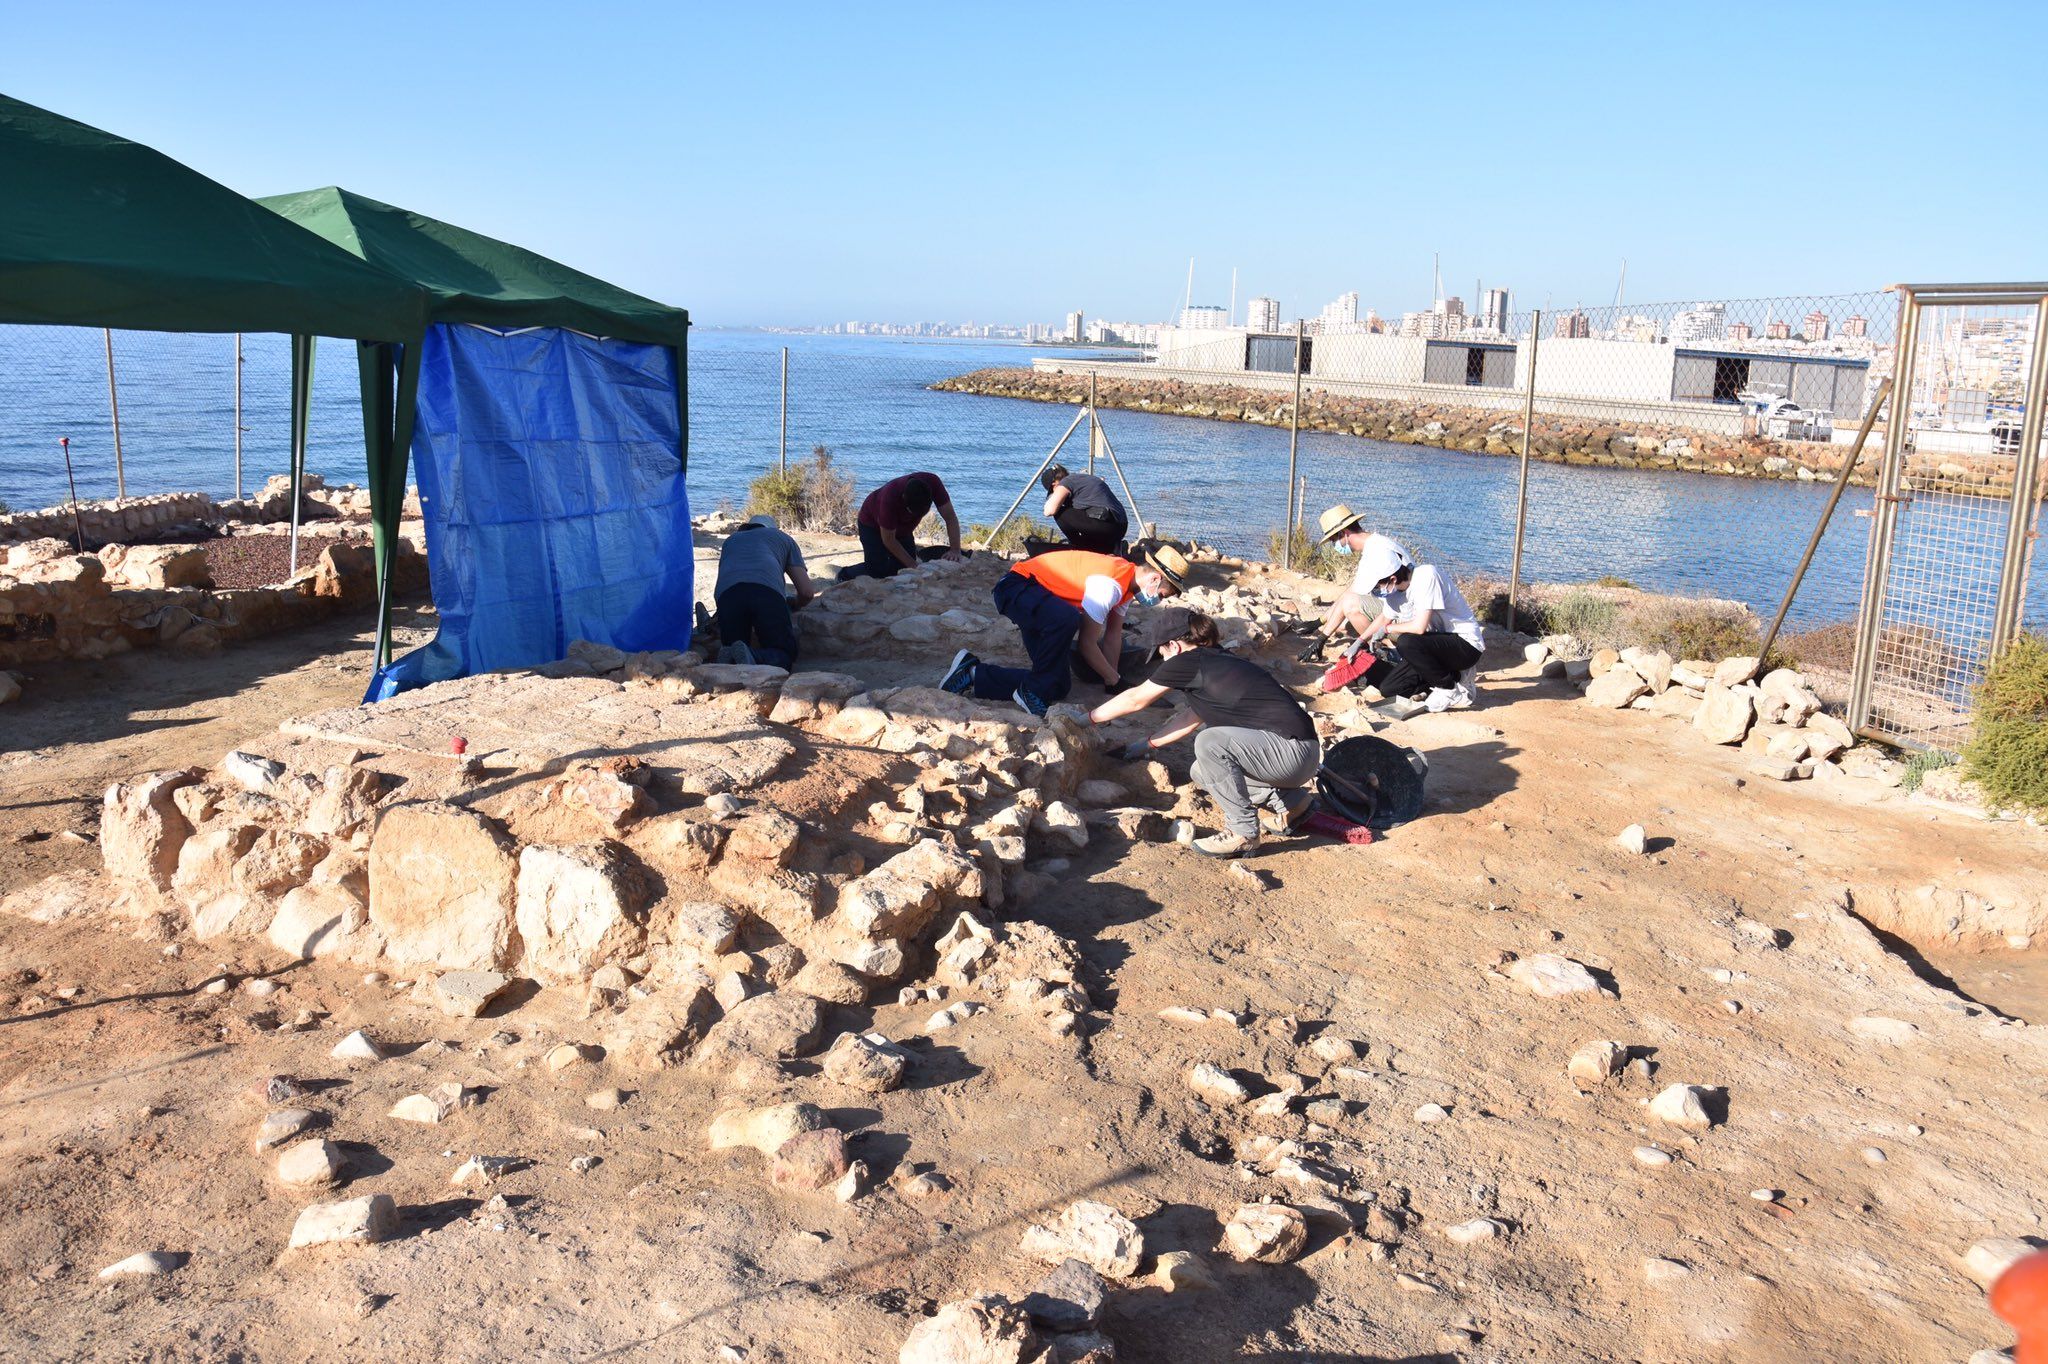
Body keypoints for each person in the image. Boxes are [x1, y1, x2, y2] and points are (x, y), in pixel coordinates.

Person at [1087, 611, 1321, 859]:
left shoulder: (1187, 661)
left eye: (1161, 653)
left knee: (1210, 742)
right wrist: (1145, 745)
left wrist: (1086, 719)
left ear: (1174, 646)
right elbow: (1190, 717)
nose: (1163, 660)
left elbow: (1136, 698)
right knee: (1202, 770)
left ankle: (1242, 833)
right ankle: (1293, 803)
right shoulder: (1216, 660)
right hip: (1299, 755)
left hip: (1289, 753)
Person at [938, 544, 1189, 717]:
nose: (1161, 600)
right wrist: (1116, 680)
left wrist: (1111, 681)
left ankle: (971, 673)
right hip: (1016, 589)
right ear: (1156, 579)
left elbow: (1113, 636)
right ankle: (1031, 691)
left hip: (1042, 605)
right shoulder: (1110, 585)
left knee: (1056, 686)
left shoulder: (1127, 587)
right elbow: (1087, 644)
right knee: (1069, 620)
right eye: (1166, 594)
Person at [1347, 537, 1484, 712]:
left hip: (1464, 646)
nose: (1376, 591)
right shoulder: (1395, 594)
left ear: (1393, 578)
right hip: (1434, 650)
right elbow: (1384, 617)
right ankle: (1454, 678)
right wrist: (1359, 641)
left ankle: (1448, 688)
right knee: (1389, 688)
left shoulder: (1426, 575)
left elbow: (1419, 627)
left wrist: (1387, 629)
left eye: (1377, 586)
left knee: (1407, 642)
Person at [711, 514, 815, 668]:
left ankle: (731, 654)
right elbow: (807, 592)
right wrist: (795, 604)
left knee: (734, 648)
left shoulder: (731, 540)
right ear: (772, 528)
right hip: (765, 594)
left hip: (727, 597)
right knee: (784, 653)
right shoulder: (782, 537)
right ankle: (754, 655)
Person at [1308, 503, 1413, 647]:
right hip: (1407, 610)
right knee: (1343, 622)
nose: (1335, 545)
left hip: (1405, 619)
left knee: (1350, 608)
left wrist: (1321, 638)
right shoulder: (1379, 543)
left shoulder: (1373, 554)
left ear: (1343, 533)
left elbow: (1348, 600)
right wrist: (1320, 621)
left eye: (1334, 540)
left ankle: (1386, 648)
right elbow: (1352, 590)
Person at [840, 471, 963, 580]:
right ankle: (844, 574)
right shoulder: (889, 499)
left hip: (903, 529)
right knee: (877, 569)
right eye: (912, 512)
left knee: (902, 567)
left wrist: (955, 550)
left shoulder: (933, 483)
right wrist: (914, 566)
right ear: (903, 498)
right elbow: (889, 540)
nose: (917, 516)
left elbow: (950, 517)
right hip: (871, 524)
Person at [1040, 463, 1129, 554]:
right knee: (1076, 512)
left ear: (1054, 484)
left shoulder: (1066, 482)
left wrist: (1051, 498)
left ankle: (1080, 548)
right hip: (1120, 527)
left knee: (1059, 512)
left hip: (1106, 525)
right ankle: (1106, 549)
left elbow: (1049, 511)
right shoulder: (1083, 479)